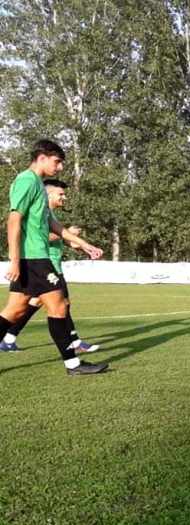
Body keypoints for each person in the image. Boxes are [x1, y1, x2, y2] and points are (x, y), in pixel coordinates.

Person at [0, 140, 107, 374]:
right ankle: (73, 365)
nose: (59, 168)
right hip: (33, 258)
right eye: (57, 162)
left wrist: (85, 245)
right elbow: (13, 220)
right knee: (59, 306)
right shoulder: (26, 180)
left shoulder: (37, 184)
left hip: (35, 258)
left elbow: (53, 224)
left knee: (15, 311)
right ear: (41, 157)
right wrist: (15, 260)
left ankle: (73, 365)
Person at [1, 179, 99, 353]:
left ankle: (9, 338)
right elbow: (38, 237)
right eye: (61, 194)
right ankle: (74, 346)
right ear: (48, 194)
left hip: (47, 264)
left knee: (25, 306)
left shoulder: (49, 214)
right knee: (60, 304)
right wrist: (67, 235)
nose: (64, 197)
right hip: (42, 265)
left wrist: (81, 245)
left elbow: (58, 235)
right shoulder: (35, 209)